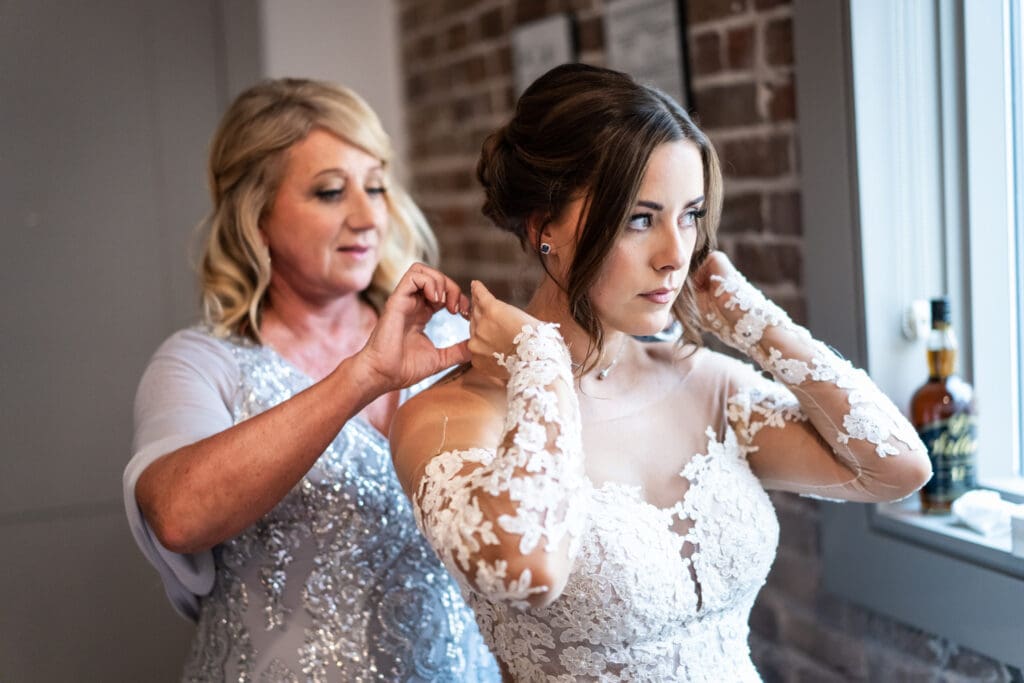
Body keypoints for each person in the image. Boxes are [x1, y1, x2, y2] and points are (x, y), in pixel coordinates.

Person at [389, 64, 933, 681]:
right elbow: (527, 570)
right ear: (546, 231)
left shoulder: (704, 382)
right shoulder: (448, 417)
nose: (676, 255)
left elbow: (896, 468)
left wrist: (756, 322)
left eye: (691, 215)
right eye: (640, 219)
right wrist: (539, 364)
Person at [123, 78, 500, 682]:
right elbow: (178, 516)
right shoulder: (199, 363)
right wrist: (361, 377)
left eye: (375, 187)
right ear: (258, 215)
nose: (367, 215)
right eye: (330, 192)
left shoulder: (448, 338)